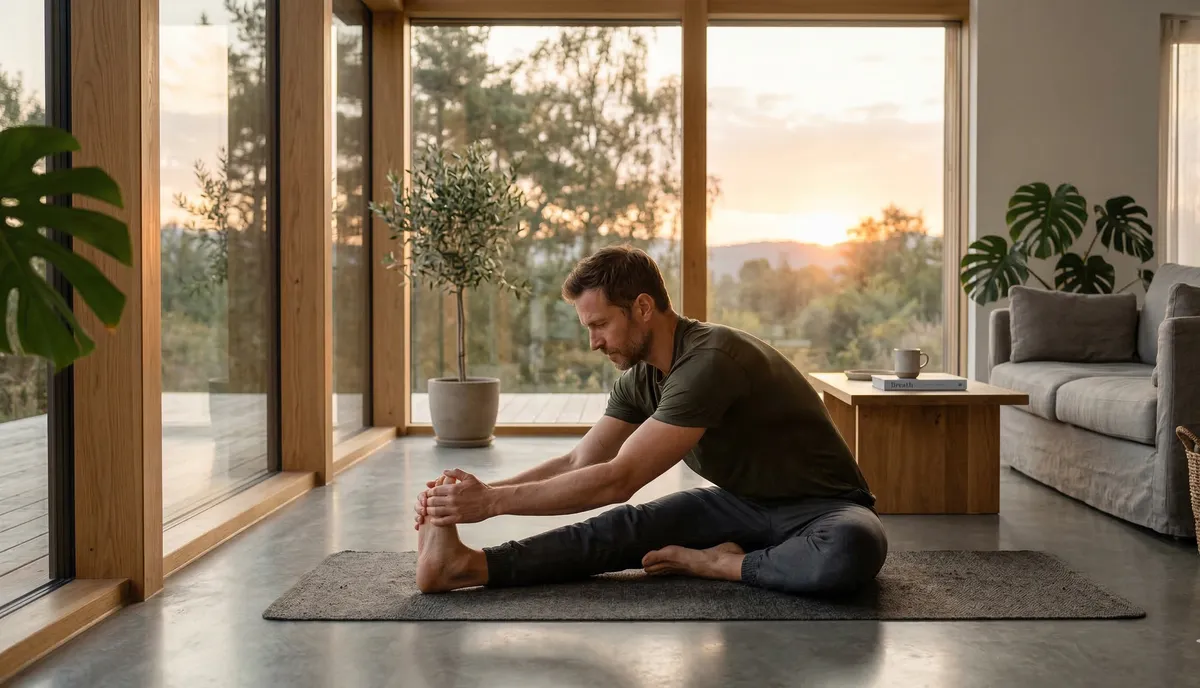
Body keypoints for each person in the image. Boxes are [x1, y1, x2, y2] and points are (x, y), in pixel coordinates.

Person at [412, 245, 888, 596]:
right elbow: (582, 460)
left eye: (600, 325)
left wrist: (491, 503)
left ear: (642, 308)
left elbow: (617, 479)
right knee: (627, 528)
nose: (593, 343)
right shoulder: (641, 377)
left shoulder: (710, 361)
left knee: (851, 548)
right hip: (742, 506)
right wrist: (471, 497)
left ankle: (721, 564)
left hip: (824, 509)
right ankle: (468, 567)